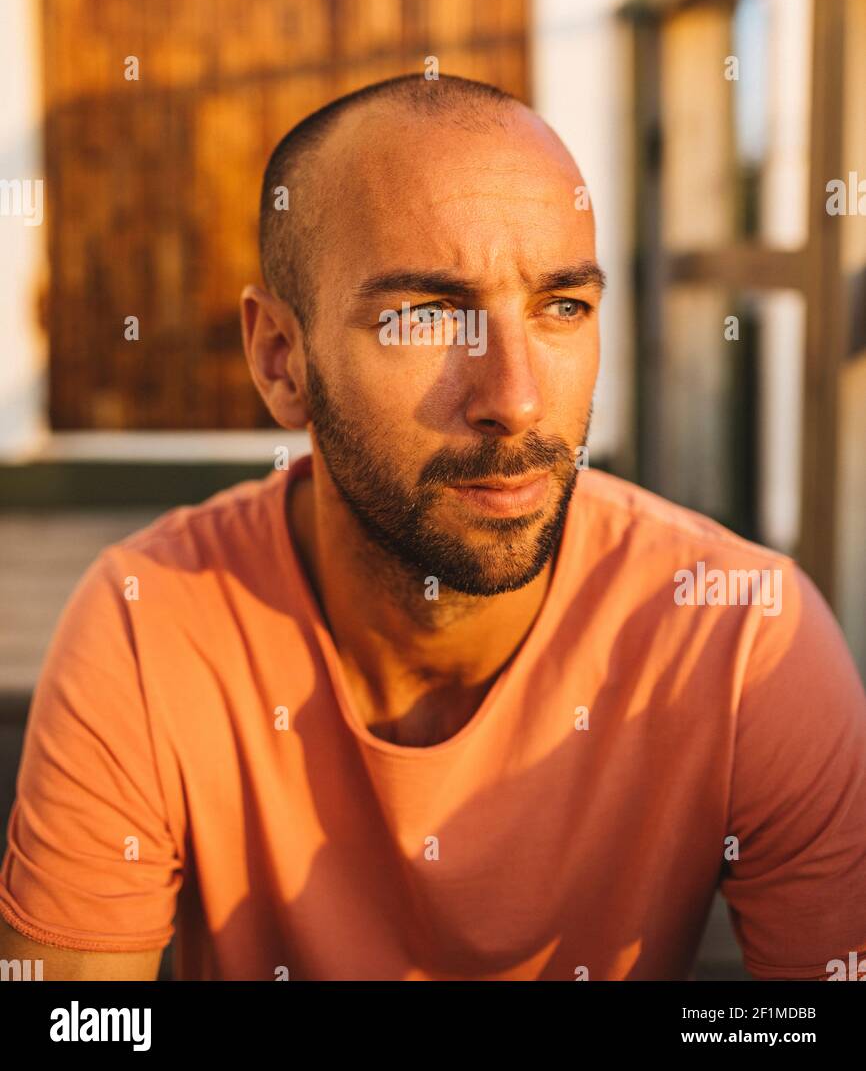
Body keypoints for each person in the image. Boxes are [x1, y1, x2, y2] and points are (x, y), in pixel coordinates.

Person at [1, 73, 865, 981]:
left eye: (562, 306)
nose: (516, 400)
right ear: (279, 359)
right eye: (424, 316)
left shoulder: (742, 635)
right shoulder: (149, 624)